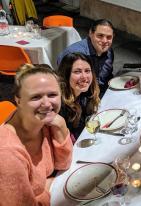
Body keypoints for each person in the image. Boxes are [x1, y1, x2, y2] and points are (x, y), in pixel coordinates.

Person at [0, 64, 73, 205]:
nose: (46, 104)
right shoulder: (7, 155)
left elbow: (64, 163)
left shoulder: (44, 121)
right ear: (18, 100)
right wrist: (47, 188)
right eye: (36, 97)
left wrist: (61, 125)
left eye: (52, 95)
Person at [57, 19, 114, 97]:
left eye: (109, 37)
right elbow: (64, 85)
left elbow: (107, 77)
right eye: (100, 36)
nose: (104, 41)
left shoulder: (109, 51)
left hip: (100, 93)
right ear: (90, 33)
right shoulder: (75, 54)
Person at [57, 52, 100, 141]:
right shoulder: (60, 105)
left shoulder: (86, 94)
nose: (84, 77)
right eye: (77, 72)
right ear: (66, 75)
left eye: (87, 71)